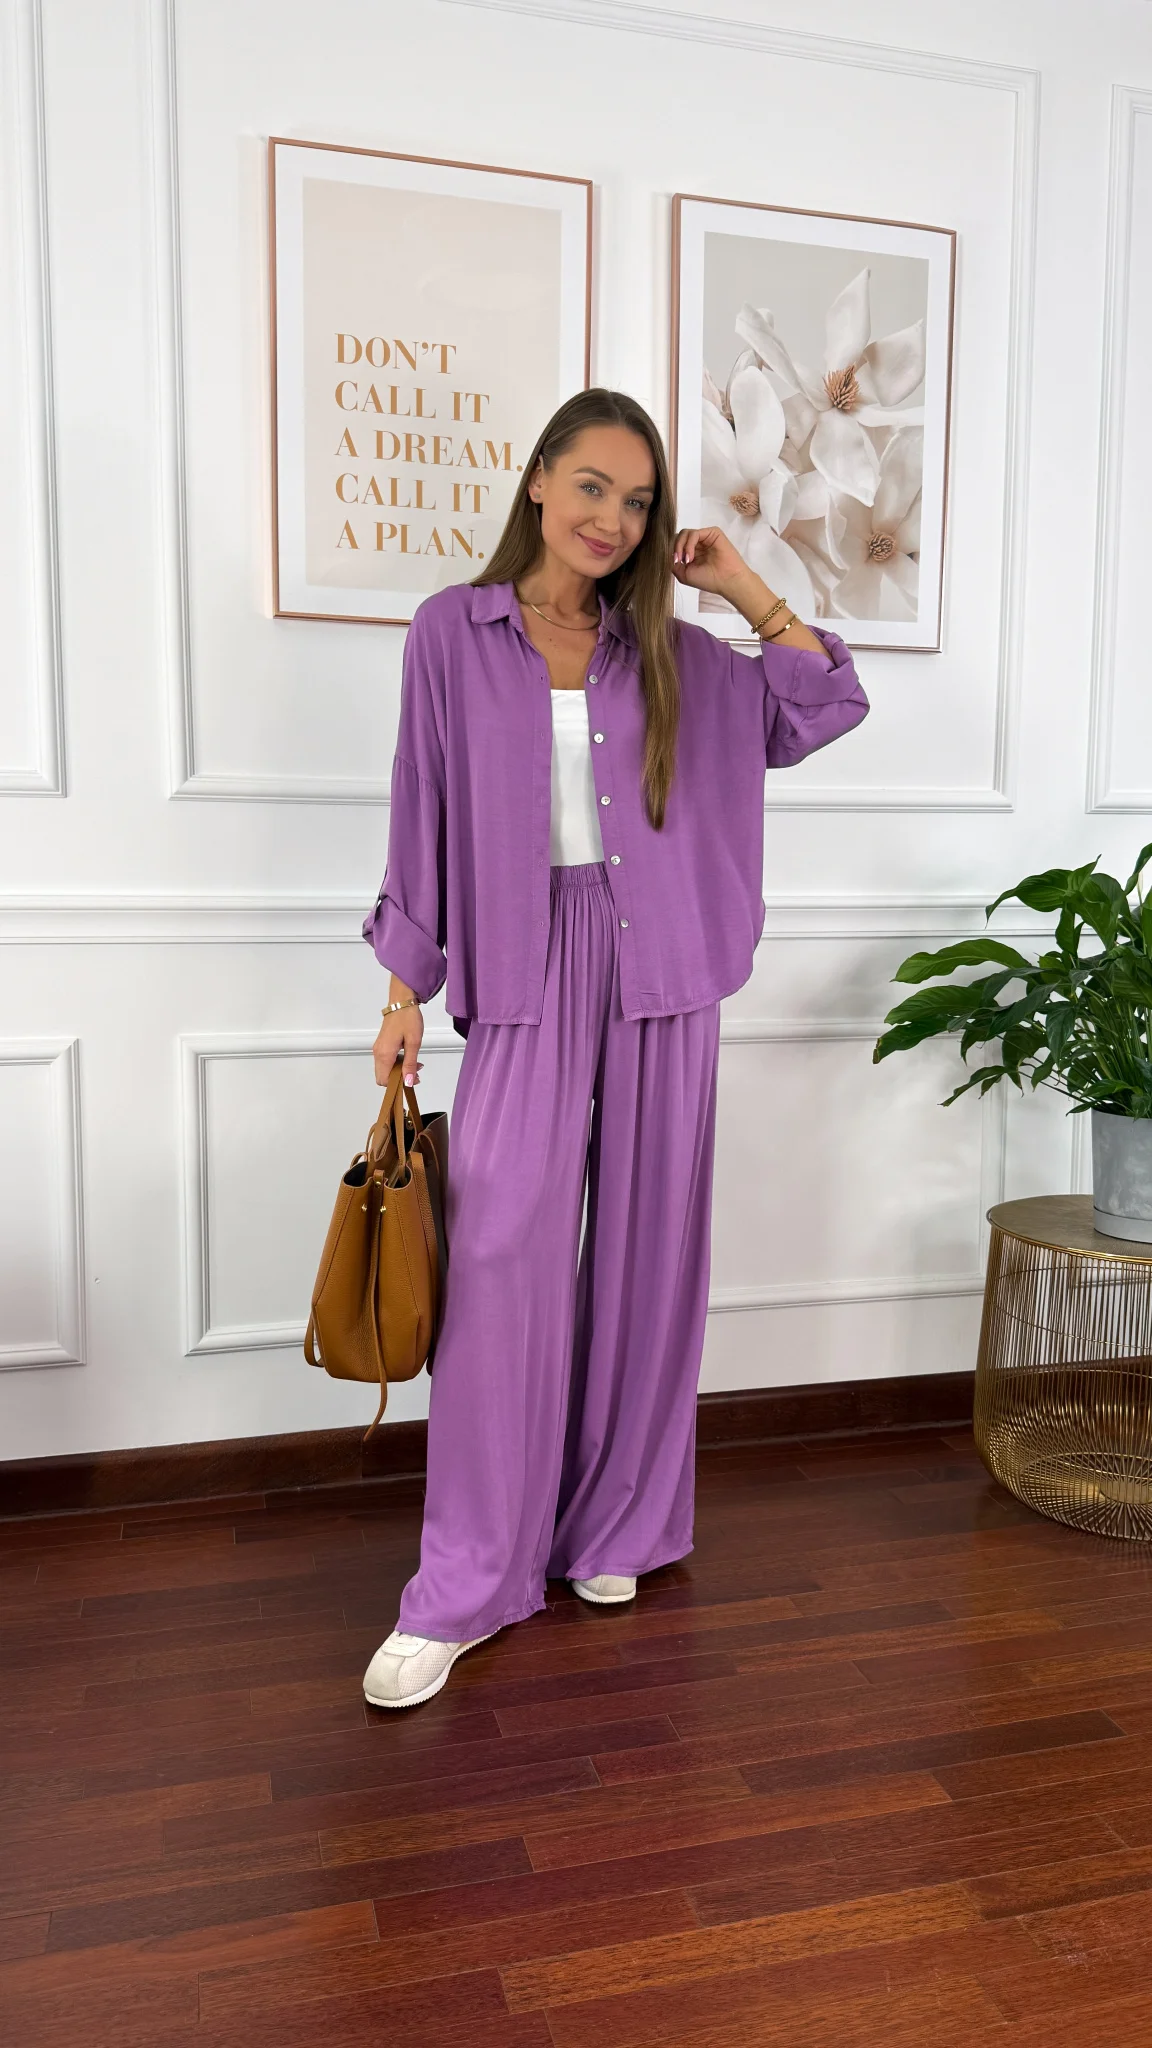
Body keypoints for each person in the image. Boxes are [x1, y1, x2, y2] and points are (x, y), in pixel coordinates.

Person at [360, 388, 868, 1708]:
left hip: (665, 966)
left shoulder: (677, 654)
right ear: (538, 481)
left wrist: (740, 582)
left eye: (637, 502)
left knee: (650, 1255)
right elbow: (422, 806)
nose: (613, 519)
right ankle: (467, 1579)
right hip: (524, 962)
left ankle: (618, 1527)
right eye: (591, 486)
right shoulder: (452, 633)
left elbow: (823, 703)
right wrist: (405, 991)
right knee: (497, 1254)